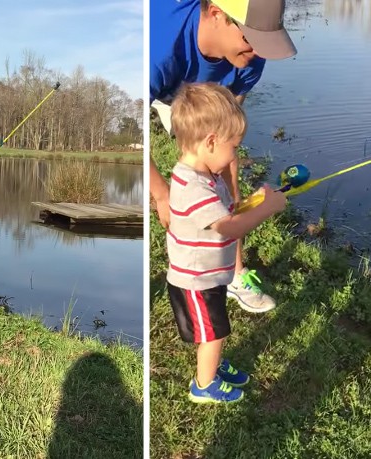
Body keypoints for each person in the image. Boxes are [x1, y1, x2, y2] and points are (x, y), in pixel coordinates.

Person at [150, 0, 296, 313]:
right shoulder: (157, 49)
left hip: (207, 97)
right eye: (251, 39)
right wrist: (162, 195)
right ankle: (186, 269)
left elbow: (229, 132)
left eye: (263, 40)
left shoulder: (250, 54)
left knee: (225, 183)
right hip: (164, 88)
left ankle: (233, 274)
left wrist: (229, 191)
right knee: (177, 191)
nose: (258, 52)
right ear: (217, 13)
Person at [166, 83, 286, 403]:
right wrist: (266, 209)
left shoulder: (206, 176)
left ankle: (212, 365)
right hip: (196, 281)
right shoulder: (192, 186)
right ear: (210, 142)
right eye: (235, 147)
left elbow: (226, 212)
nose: (236, 154)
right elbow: (229, 228)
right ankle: (203, 386)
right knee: (214, 333)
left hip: (210, 275)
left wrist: (253, 200)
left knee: (213, 333)